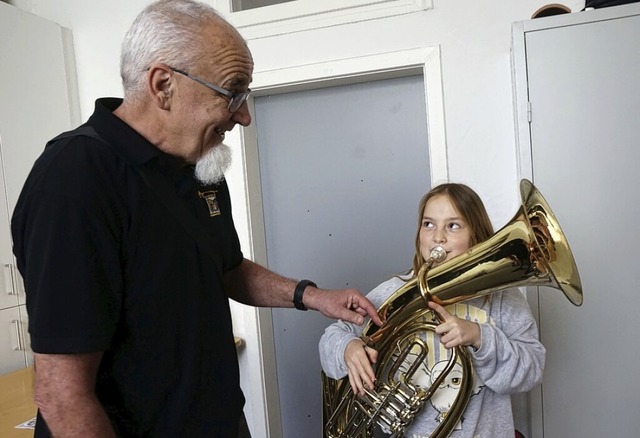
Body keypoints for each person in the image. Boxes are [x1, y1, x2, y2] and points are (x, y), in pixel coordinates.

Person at [10, 1, 382, 437]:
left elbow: (225, 268)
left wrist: (313, 296)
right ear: (163, 84)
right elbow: (61, 394)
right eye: (232, 92)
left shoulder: (200, 166)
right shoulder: (76, 177)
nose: (243, 115)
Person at [319, 183, 545, 438]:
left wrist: (480, 336)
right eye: (428, 224)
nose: (438, 237)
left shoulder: (502, 296)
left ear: (477, 237)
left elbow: (531, 371)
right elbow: (332, 337)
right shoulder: (394, 293)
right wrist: (347, 347)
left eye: (453, 225)